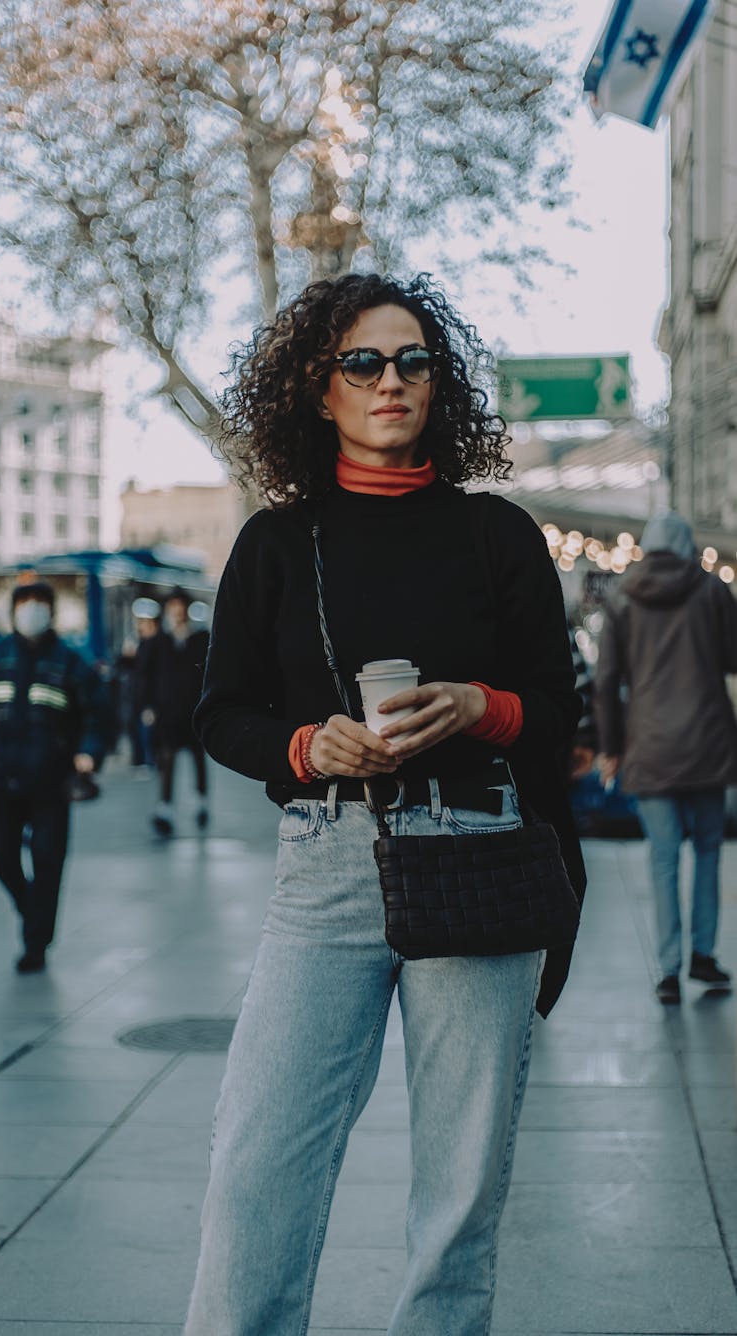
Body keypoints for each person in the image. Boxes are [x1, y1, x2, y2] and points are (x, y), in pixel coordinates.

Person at [183, 272, 585, 1335]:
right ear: (320, 391)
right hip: (327, 860)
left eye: (414, 359)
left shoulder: (497, 535)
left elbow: (557, 707)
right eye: (363, 361)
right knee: (259, 1153)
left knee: (461, 1183)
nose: (391, 379)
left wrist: (478, 706)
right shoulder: (278, 543)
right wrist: (310, 744)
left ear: (437, 384)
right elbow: (221, 714)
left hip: (478, 852)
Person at [595, 510, 737, 1003]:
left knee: (662, 858)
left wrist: (611, 748)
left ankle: (669, 968)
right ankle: (703, 955)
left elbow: (606, 682)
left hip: (648, 747)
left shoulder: (622, 598)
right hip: (709, 743)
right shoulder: (714, 590)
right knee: (708, 850)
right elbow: (732, 658)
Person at [0, 581, 108, 973]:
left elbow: (97, 712)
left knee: (47, 860)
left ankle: (35, 944)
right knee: (0, 854)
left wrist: (89, 752)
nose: (31, 612)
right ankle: (32, 910)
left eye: (39, 604)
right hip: (0, 780)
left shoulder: (71, 660)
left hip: (51, 782)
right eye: (25, 604)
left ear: (51, 612)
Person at [139, 587, 210, 836]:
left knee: (198, 758)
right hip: (167, 711)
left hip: (195, 711)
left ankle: (202, 802)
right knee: (166, 759)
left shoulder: (201, 638)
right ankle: (165, 808)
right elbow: (145, 675)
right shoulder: (159, 641)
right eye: (173, 609)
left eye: (181, 609)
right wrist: (148, 706)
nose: (177, 613)